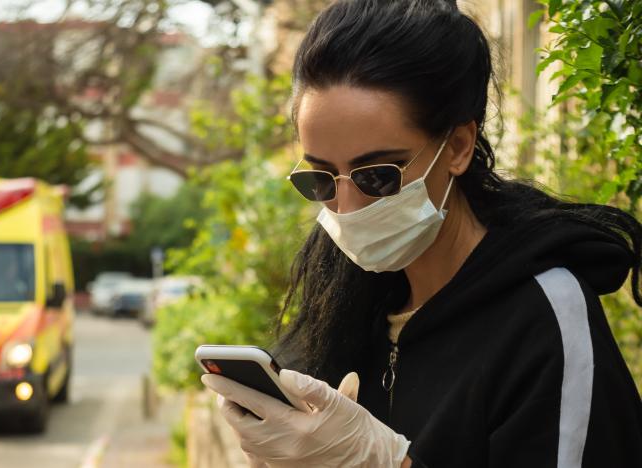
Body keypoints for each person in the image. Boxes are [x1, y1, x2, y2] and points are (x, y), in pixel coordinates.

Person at [200, 0, 642, 467]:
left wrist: (383, 462)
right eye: (321, 179)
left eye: (377, 175)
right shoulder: (353, 304)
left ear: (457, 147)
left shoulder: (545, 318)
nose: (346, 208)